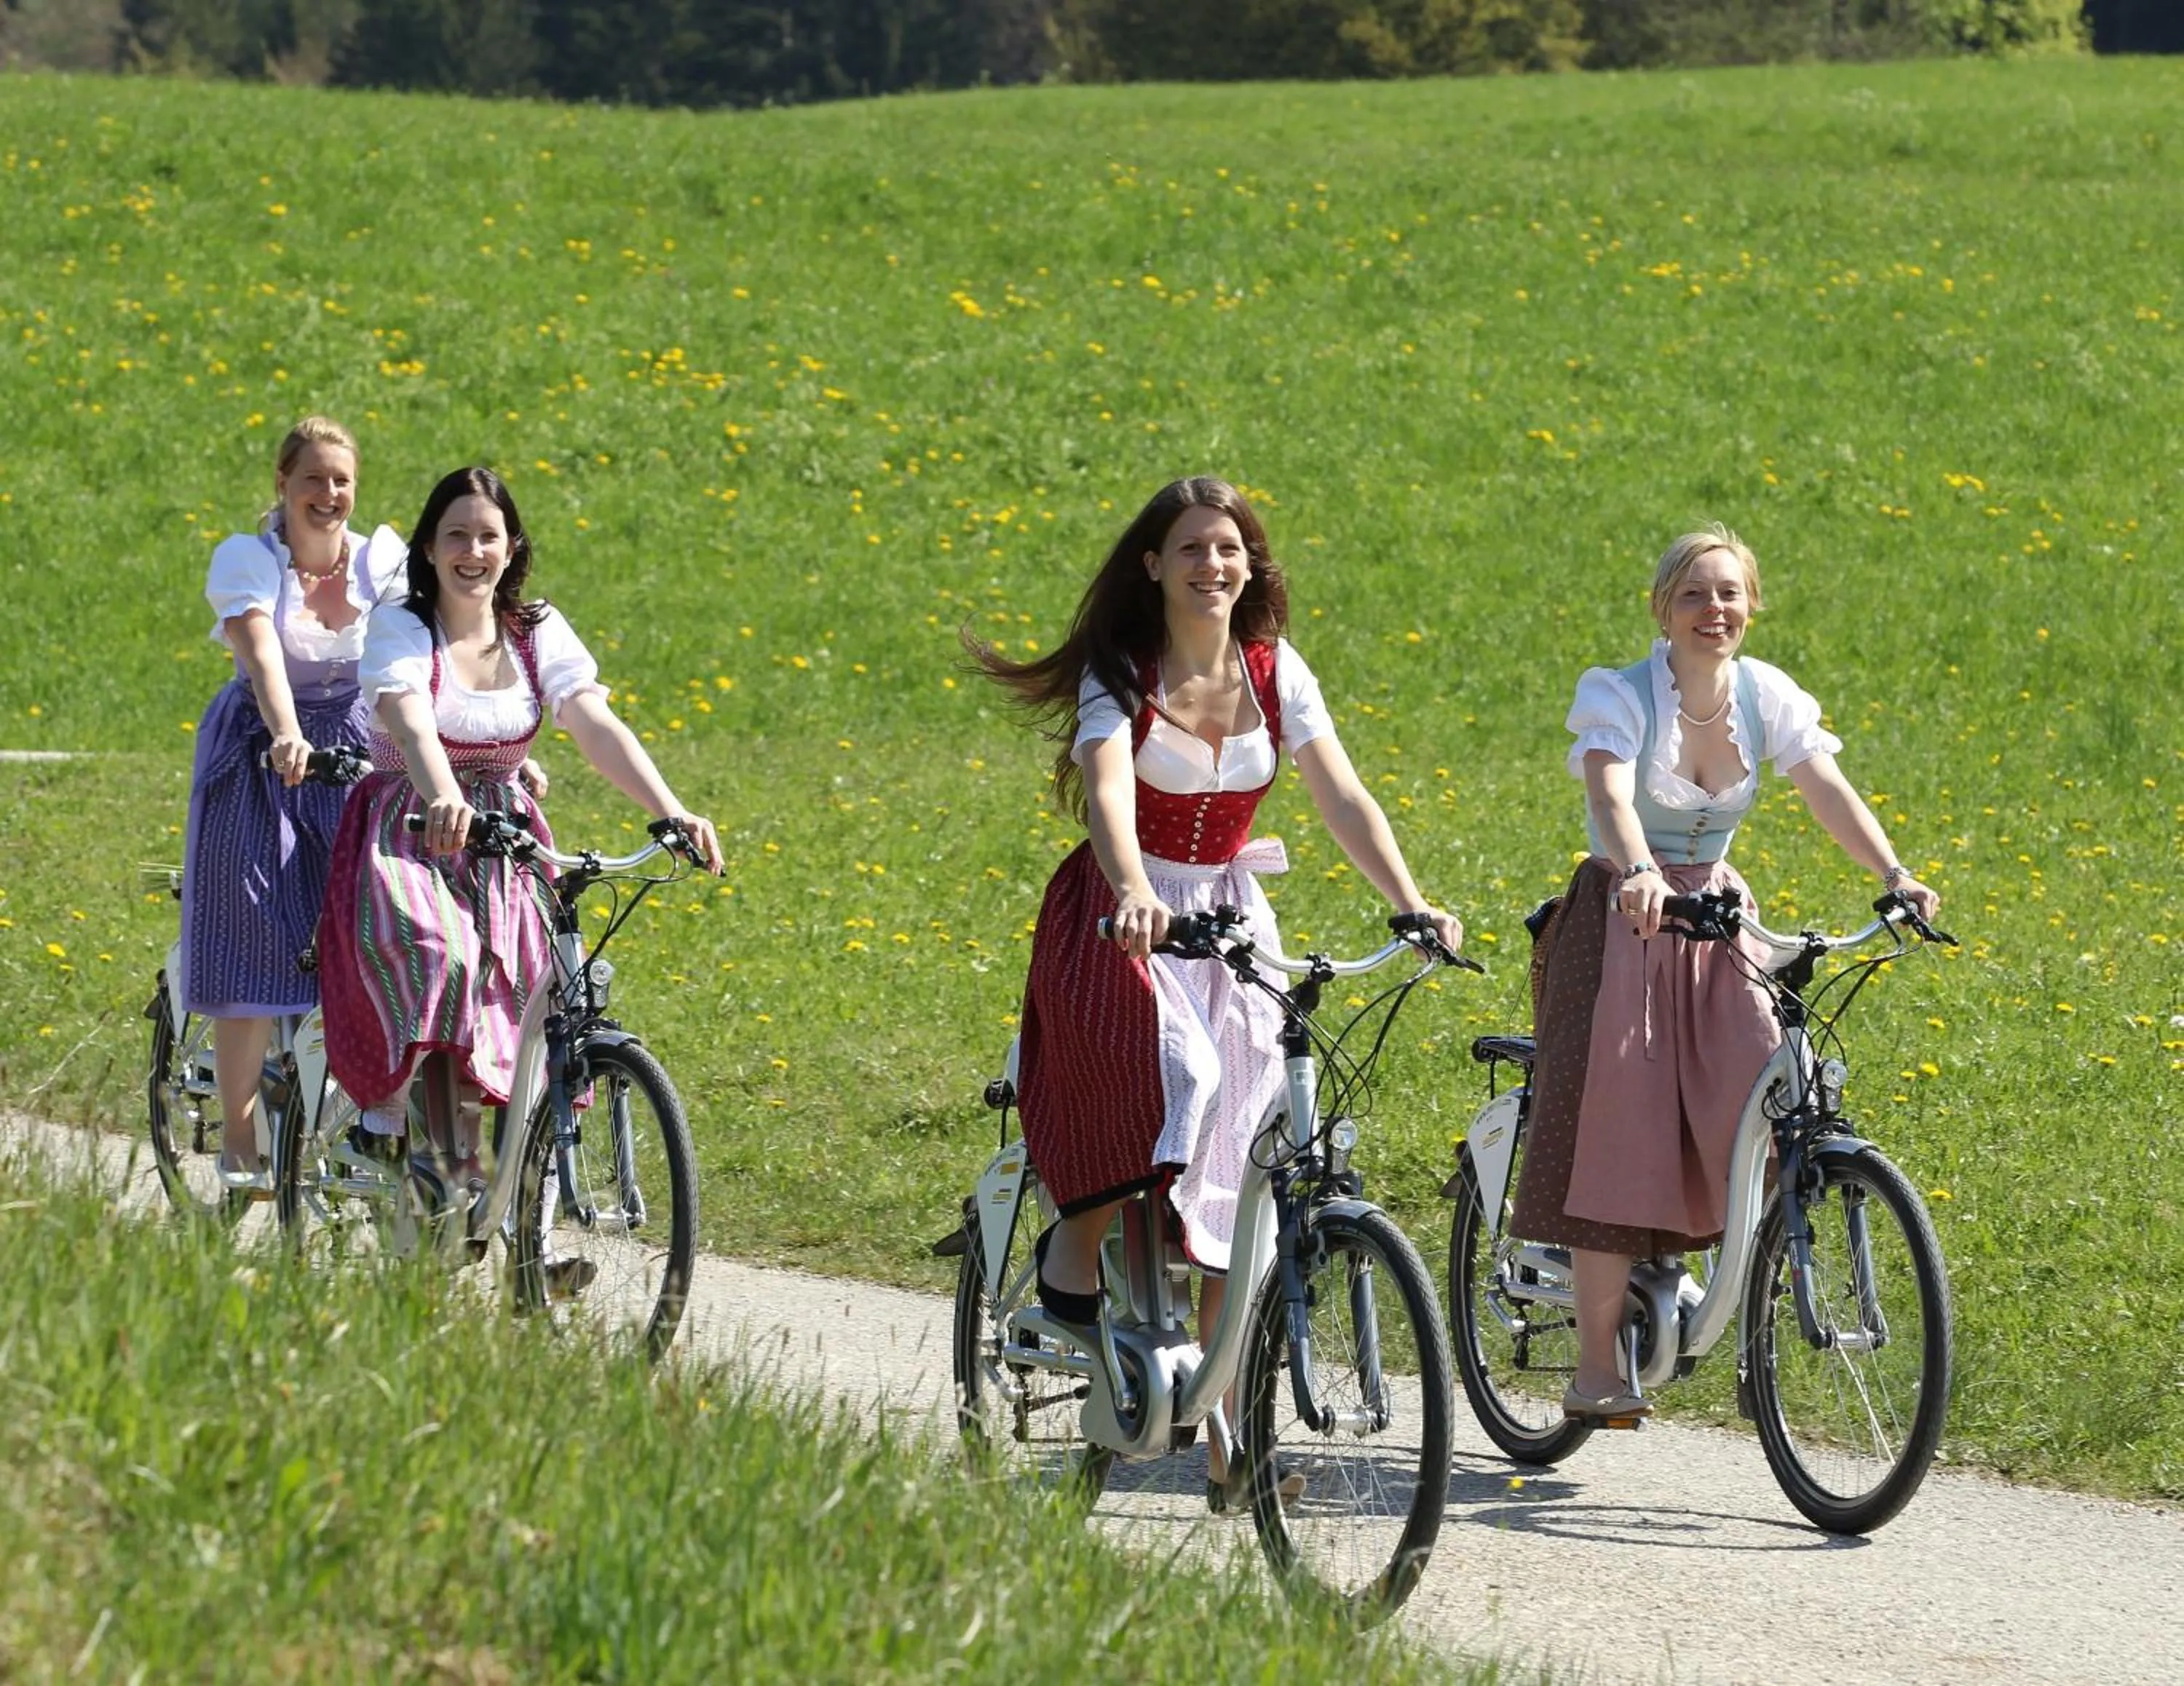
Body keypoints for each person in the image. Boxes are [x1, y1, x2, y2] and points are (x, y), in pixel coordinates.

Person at [973, 475, 1463, 1507]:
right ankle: (1074, 1263)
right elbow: (1109, 784)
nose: (1213, 566)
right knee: (1181, 1079)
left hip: (1234, 914)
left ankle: (1235, 1453)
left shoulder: (1275, 673)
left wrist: (1412, 901)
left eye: (1230, 549)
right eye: (1192, 549)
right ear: (1153, 565)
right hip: (1121, 915)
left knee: (1246, 1159)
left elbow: (1341, 792)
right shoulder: (1126, 672)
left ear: (1253, 564)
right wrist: (1135, 888)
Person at [1509, 522, 1941, 1424]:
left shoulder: (1765, 694)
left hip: (1715, 917)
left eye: (1730, 594)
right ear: (1663, 607)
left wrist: (1893, 874)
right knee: (1621, 1122)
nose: (1716, 611)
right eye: (1696, 595)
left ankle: (1754, 1318)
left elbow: (1825, 786)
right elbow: (1610, 793)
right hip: (1624, 917)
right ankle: (1596, 1370)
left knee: (1769, 1091)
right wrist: (1638, 871)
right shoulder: (1620, 694)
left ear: (1752, 606)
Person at [315, 466, 723, 1198]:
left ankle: (513, 1205)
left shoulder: (536, 631)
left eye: (488, 537)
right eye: (457, 536)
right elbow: (408, 720)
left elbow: (592, 721)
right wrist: (444, 795)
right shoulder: (404, 626)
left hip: (504, 836)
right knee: (445, 958)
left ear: (512, 549)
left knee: (531, 990)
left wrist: (669, 807)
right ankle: (428, 1156)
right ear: (431, 549)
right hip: (409, 829)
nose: (473, 551)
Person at [181, 416, 408, 1195]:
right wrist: (285, 734)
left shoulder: (381, 562)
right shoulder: (251, 561)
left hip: (350, 742)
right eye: (313, 478)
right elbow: (259, 649)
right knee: (252, 928)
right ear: (281, 483)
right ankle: (240, 1144)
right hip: (262, 744)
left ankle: (358, 1116)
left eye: (341, 480)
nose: (329, 494)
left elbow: (413, 660)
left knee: (363, 924)